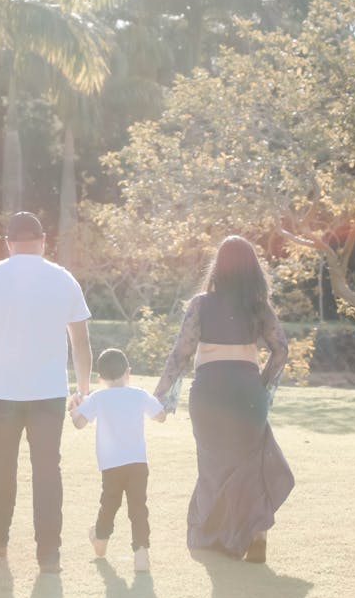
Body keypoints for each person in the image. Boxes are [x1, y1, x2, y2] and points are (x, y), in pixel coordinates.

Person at [0, 211, 92, 574]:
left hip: (2, 393)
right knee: (48, 471)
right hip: (49, 394)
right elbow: (80, 341)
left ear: (9, 243)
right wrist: (84, 388)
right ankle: (50, 555)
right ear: (43, 241)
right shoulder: (63, 279)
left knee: (1, 467)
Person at [154, 235, 293, 563]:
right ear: (253, 270)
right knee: (251, 464)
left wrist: (163, 397)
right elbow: (281, 349)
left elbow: (181, 352)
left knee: (213, 464)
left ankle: (215, 537)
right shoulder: (259, 307)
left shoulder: (201, 304)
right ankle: (257, 535)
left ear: (218, 266)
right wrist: (261, 385)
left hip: (211, 393)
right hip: (247, 392)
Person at [70, 347, 166, 573]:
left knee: (109, 504)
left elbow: (79, 423)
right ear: (128, 372)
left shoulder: (97, 397)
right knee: (138, 508)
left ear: (100, 378)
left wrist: (74, 409)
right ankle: (141, 553)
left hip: (111, 466)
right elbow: (160, 416)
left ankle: (100, 540)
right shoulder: (139, 394)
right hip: (137, 463)